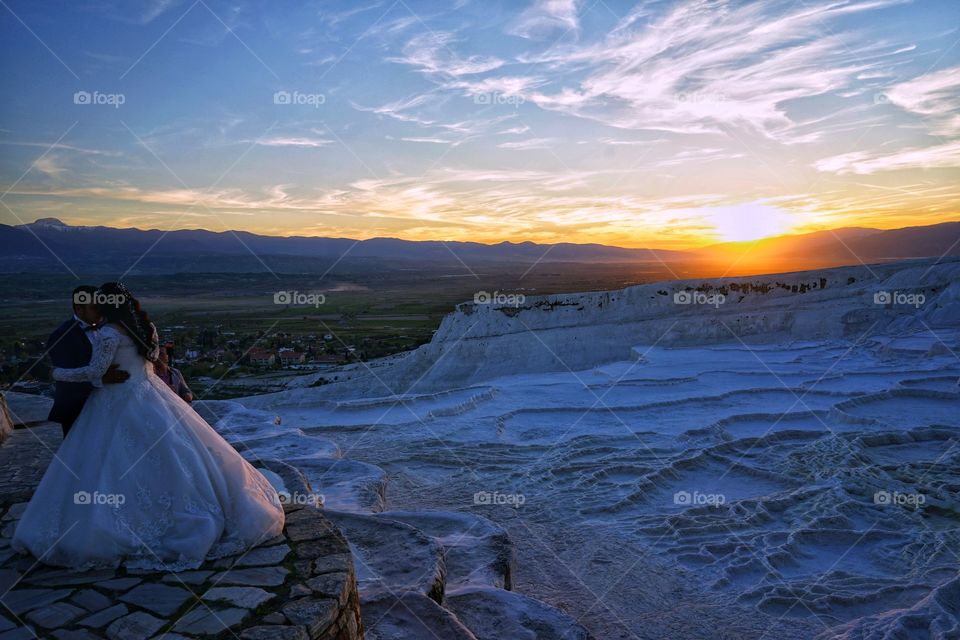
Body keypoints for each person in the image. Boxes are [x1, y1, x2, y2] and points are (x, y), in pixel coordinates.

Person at [12, 282, 284, 571]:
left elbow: (95, 371)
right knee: (179, 454)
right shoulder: (147, 328)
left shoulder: (107, 333)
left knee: (106, 462)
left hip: (115, 400)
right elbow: (151, 361)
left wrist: (58, 373)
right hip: (150, 393)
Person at [46, 285, 130, 438]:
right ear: (79, 309)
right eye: (95, 307)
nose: (101, 311)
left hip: (108, 405)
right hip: (76, 408)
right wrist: (100, 378)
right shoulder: (60, 336)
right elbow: (67, 379)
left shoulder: (110, 328)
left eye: (102, 306)